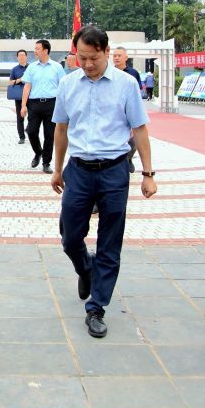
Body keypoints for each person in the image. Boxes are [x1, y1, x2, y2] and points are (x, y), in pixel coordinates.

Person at [50, 26, 156, 338]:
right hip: (79, 170)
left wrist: (148, 174)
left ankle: (96, 307)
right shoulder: (68, 84)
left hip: (114, 171)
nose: (87, 64)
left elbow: (140, 129)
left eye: (93, 58)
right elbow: (61, 128)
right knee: (70, 236)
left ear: (107, 52)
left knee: (110, 241)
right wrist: (57, 169)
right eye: (81, 57)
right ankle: (86, 268)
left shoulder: (126, 84)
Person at [19, 37, 63, 170]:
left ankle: (46, 163)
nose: (35, 51)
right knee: (31, 131)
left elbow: (63, 87)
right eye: (35, 48)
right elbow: (27, 87)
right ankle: (38, 152)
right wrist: (23, 105)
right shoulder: (32, 67)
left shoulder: (57, 67)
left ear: (46, 50)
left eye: (37, 49)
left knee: (49, 135)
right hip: (34, 104)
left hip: (51, 104)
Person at [6, 46, 29, 142]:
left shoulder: (31, 68)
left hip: (31, 95)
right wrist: (19, 80)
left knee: (33, 116)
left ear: (26, 57)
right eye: (20, 55)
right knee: (20, 117)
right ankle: (21, 137)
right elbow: (10, 82)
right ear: (17, 57)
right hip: (19, 96)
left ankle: (28, 129)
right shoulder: (14, 69)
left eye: (23, 55)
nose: (22, 57)